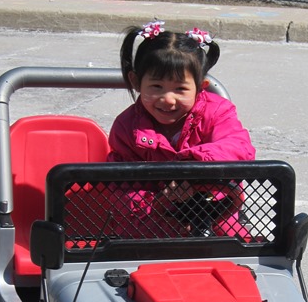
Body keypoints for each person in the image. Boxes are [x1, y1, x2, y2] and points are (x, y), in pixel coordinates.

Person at [107, 21, 256, 238]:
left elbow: (238, 147)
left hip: (214, 207)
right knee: (136, 236)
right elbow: (122, 187)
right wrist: (162, 201)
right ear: (136, 82)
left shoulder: (217, 112)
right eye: (156, 87)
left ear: (200, 87)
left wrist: (191, 170)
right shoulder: (128, 127)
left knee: (232, 237)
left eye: (180, 89)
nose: (168, 99)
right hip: (153, 216)